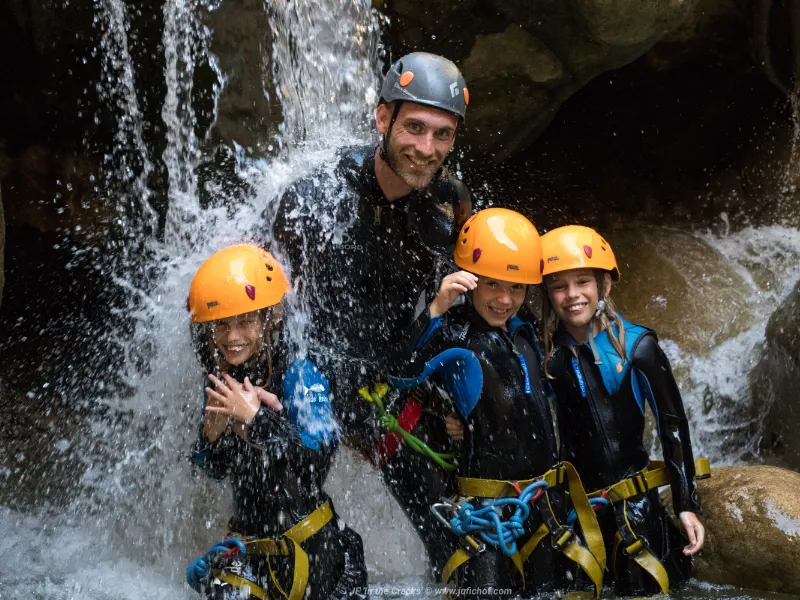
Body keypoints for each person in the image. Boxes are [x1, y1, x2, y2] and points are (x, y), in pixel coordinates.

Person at [265, 52, 472, 577]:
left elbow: (470, 314)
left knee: (461, 551)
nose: (427, 149)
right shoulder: (315, 199)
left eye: (442, 135)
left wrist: (456, 401)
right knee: (303, 553)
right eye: (415, 128)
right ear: (383, 120)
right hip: (309, 384)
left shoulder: (450, 211)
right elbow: (257, 312)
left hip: (386, 387)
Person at [389, 209, 605, 598]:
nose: (505, 300)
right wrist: (436, 309)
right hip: (486, 514)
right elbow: (402, 375)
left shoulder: (528, 332)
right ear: (469, 282)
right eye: (491, 285)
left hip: (541, 507)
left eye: (517, 288)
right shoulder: (455, 332)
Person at [185, 244, 367, 600]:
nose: (232, 338)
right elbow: (216, 469)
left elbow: (318, 460)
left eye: (245, 321)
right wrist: (211, 436)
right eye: (222, 325)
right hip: (248, 549)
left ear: (271, 317)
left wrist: (256, 418)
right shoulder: (223, 378)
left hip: (313, 549)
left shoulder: (299, 373)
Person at [539, 225, 707, 597]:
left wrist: (685, 504)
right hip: (578, 514)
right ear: (547, 294)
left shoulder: (638, 347)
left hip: (636, 511)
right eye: (558, 287)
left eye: (582, 281)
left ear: (604, 285)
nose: (571, 296)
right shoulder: (546, 355)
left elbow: (673, 426)